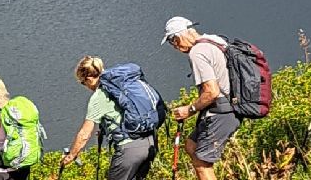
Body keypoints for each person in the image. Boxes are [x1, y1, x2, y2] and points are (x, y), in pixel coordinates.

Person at [162, 17, 237, 180]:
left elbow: (212, 92)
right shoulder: (214, 41)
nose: (175, 46)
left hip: (221, 112)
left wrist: (189, 110)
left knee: (202, 163)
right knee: (192, 145)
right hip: (230, 106)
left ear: (178, 37)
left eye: (172, 41)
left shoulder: (197, 52)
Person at [58, 56, 156, 180]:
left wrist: (71, 156)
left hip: (129, 150)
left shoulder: (99, 96)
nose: (85, 86)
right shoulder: (119, 84)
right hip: (149, 142)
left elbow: (84, 134)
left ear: (88, 79)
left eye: (83, 82)